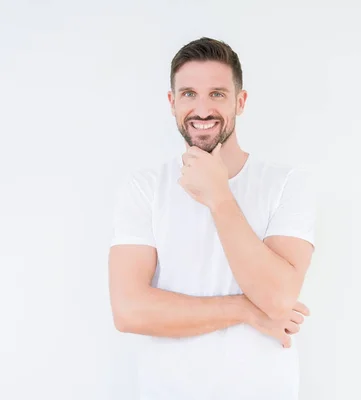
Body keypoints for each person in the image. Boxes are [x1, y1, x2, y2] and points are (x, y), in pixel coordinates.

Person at [108, 37, 317, 400]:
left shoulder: (285, 183)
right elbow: (129, 311)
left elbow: (278, 298)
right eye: (189, 94)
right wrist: (245, 310)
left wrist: (219, 195)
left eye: (217, 94)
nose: (202, 109)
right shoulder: (145, 187)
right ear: (172, 103)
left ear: (241, 101)